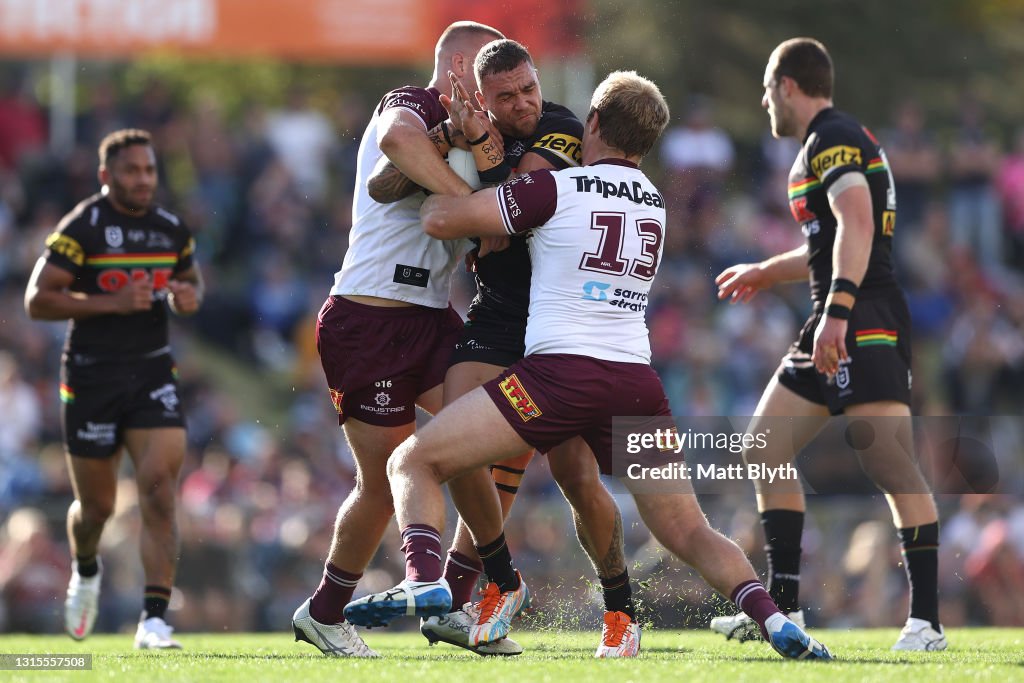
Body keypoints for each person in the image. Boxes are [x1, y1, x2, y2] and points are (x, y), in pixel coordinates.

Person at [344, 70, 832, 662]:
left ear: (592, 123)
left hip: (558, 377)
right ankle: (775, 619)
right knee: (687, 528)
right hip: (636, 382)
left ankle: (427, 578)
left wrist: (462, 153)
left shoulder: (561, 188)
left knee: (413, 460)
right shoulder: (654, 202)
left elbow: (441, 220)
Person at [368, 38, 639, 658]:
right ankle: (502, 578)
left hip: (556, 316)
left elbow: (516, 203)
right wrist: (439, 137)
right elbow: (388, 188)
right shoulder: (462, 122)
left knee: (576, 474)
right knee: (449, 445)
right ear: (482, 98)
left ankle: (620, 608)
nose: (523, 104)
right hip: (496, 312)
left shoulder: (562, 125)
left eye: (528, 89)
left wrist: (475, 151)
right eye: (506, 97)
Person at [711, 37, 946, 651]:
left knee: (890, 462)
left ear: (788, 85)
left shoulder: (832, 136)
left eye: (767, 91)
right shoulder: (826, 141)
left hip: (860, 314)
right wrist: (767, 271)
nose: (765, 104)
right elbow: (828, 242)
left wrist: (838, 311)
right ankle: (784, 609)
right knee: (764, 445)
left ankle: (927, 623)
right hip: (833, 313)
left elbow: (859, 224)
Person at [288, 21, 511, 658]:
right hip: (368, 319)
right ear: (462, 68)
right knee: (385, 483)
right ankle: (324, 611)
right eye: (489, 72)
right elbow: (395, 147)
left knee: (472, 445)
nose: (499, 88)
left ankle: (463, 595)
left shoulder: (483, 133)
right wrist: (473, 202)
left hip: (433, 319)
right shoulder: (412, 102)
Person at [24, 128, 204, 649]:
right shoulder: (83, 227)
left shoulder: (171, 229)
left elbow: (190, 282)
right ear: (107, 176)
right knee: (97, 509)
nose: (144, 180)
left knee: (157, 488)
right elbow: (38, 300)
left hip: (151, 373)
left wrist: (188, 298)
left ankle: (153, 620)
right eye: (132, 171)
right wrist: (111, 302)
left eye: (149, 170)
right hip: (90, 377)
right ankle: (85, 568)